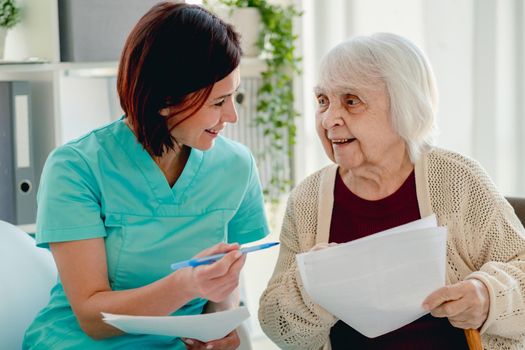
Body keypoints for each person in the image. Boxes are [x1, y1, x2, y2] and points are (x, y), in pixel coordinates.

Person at [23, 2, 269, 349]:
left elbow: (224, 287)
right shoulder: (76, 168)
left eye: (234, 96)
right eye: (217, 102)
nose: (232, 116)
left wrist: (217, 333)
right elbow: (94, 319)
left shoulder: (236, 166)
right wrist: (187, 284)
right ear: (165, 99)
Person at [258, 32, 525, 349]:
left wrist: (486, 296)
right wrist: (313, 282)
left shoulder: (457, 180)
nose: (329, 119)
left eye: (351, 101)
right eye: (322, 101)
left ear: (404, 106)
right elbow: (277, 328)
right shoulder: (308, 198)